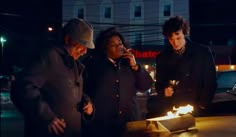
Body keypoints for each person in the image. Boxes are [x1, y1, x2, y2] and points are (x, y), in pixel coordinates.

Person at [10, 18, 95, 137]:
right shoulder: (49, 56)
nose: (85, 51)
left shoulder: (73, 63)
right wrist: (46, 116)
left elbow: (70, 90)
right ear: (68, 39)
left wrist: (87, 102)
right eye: (82, 45)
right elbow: (23, 86)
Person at [82, 27, 153, 137]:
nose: (119, 47)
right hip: (103, 126)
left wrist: (135, 67)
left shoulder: (129, 64)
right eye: (113, 45)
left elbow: (145, 85)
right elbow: (83, 90)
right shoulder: (93, 66)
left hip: (129, 123)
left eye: (120, 43)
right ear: (105, 48)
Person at [147, 16, 217, 118]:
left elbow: (211, 81)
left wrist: (203, 104)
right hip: (174, 110)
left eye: (178, 37)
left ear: (184, 33)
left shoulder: (202, 52)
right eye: (171, 39)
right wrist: (164, 92)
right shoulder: (163, 57)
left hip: (197, 109)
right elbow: (159, 84)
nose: (175, 43)